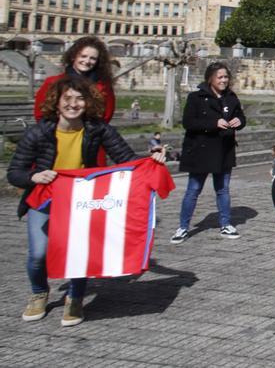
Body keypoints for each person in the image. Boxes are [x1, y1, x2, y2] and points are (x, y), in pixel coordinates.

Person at [9, 76, 166, 326]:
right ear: (57, 102)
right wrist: (34, 176)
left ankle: (75, 296)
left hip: (79, 200)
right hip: (44, 198)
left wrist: (151, 158)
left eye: (79, 98)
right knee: (38, 253)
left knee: (80, 251)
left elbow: (125, 158)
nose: (73, 104)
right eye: (67, 98)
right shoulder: (39, 132)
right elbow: (14, 172)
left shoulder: (96, 129)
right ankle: (39, 291)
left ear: (87, 102)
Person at [171, 62, 246, 243]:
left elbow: (241, 117)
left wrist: (239, 121)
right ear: (210, 78)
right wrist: (213, 124)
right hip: (201, 151)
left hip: (223, 150)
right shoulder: (196, 97)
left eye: (226, 77)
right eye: (220, 77)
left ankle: (226, 224)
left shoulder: (231, 97)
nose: (223, 80)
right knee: (193, 190)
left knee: (223, 190)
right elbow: (189, 122)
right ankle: (183, 227)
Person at [34, 36, 117, 166]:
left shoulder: (103, 86)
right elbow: (40, 114)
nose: (87, 61)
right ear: (73, 56)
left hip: (90, 142)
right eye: (83, 56)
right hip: (55, 140)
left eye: (92, 58)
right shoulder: (53, 82)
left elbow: (106, 116)